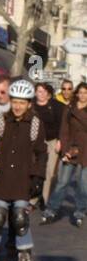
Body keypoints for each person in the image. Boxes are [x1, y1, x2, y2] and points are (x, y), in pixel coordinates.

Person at [0, 79, 46, 261]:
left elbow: (42, 154)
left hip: (23, 178)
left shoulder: (35, 124)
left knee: (19, 216)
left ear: (29, 104)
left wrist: (38, 178)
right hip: (2, 177)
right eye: (15, 102)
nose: (17, 106)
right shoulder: (2, 120)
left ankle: (24, 252)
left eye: (22, 103)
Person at [46, 81, 87, 227]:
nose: (82, 95)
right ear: (76, 94)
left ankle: (79, 213)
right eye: (80, 92)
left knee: (83, 185)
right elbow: (64, 128)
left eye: (85, 93)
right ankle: (51, 210)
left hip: (86, 150)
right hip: (70, 148)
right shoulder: (70, 107)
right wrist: (64, 147)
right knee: (62, 182)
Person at [32, 82, 64, 207]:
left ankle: (44, 199)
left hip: (52, 141)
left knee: (49, 171)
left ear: (49, 94)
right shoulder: (31, 105)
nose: (42, 94)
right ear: (35, 93)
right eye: (39, 91)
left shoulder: (56, 106)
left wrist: (60, 141)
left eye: (45, 91)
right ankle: (32, 198)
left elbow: (62, 125)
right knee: (35, 169)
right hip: (35, 142)